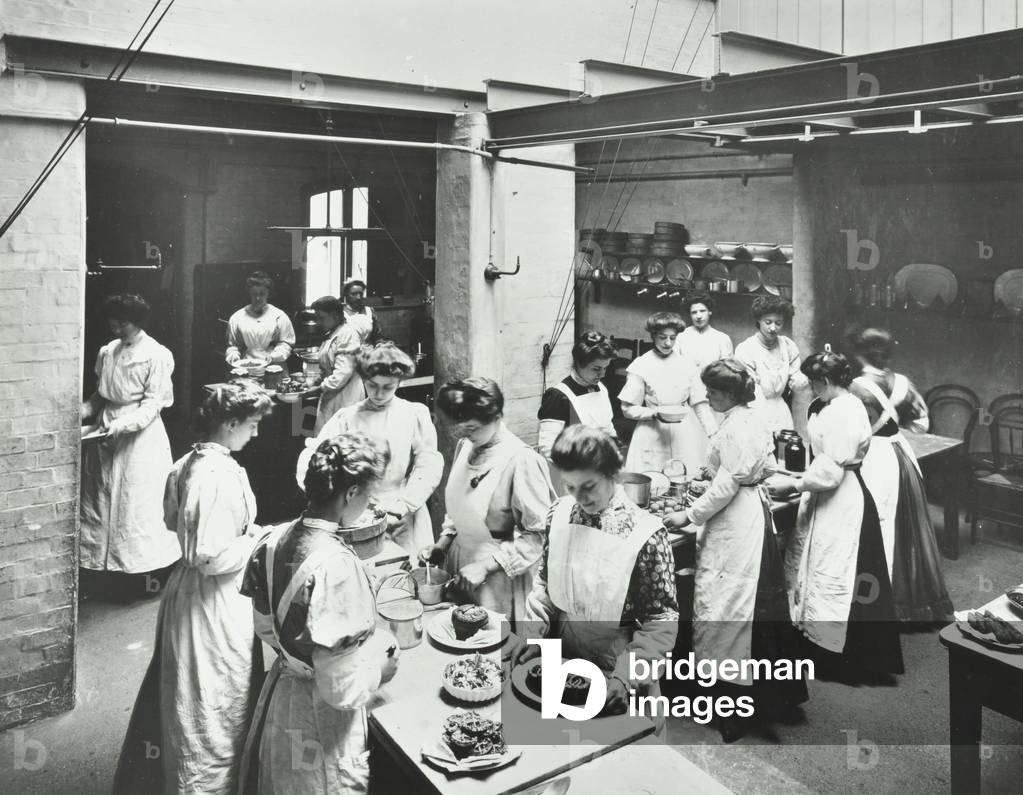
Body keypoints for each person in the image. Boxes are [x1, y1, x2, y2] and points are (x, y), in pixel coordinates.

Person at [114, 383, 273, 794]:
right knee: (213, 709)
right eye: (252, 425)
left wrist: (238, 533)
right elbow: (212, 557)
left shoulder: (187, 462)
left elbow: (173, 521)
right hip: (213, 601)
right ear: (231, 423)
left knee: (188, 697)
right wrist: (257, 539)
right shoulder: (215, 475)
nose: (255, 434)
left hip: (186, 593)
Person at [238, 432, 399, 795]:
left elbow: (266, 628)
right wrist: (378, 669)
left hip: (284, 696)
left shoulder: (271, 540)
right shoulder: (337, 565)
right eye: (368, 495)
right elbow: (341, 692)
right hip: (323, 721)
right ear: (351, 494)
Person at [664, 360, 807, 742]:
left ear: (729, 393)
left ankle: (735, 706)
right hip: (749, 513)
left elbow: (727, 486)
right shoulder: (751, 417)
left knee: (730, 607)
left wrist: (688, 516)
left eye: (713, 392)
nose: (708, 397)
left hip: (736, 523)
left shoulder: (737, 426)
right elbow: (761, 465)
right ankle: (767, 698)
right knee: (747, 606)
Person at [514, 425, 678, 725]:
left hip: (617, 659)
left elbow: (661, 620)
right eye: (570, 487)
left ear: (613, 475)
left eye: (588, 486)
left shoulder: (647, 534)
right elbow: (546, 583)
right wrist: (534, 635)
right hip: (562, 649)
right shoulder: (559, 514)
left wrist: (628, 676)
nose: (580, 498)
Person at [774, 348, 903, 679]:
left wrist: (794, 485)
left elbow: (830, 472)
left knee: (839, 573)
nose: (813, 391)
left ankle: (841, 653)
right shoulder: (839, 405)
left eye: (815, 384)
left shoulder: (843, 412)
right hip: (828, 495)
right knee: (816, 565)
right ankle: (815, 640)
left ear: (827, 381)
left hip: (841, 497)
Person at [419, 378, 556, 625]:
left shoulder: (520, 460)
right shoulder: (466, 445)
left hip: (500, 579)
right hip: (461, 566)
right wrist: (443, 543)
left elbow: (539, 535)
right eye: (461, 428)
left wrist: (486, 566)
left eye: (472, 428)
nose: (465, 434)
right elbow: (461, 506)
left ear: (496, 416)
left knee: (491, 650)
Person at [846, 326, 953, 624]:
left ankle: (878, 607)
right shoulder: (904, 382)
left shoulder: (856, 387)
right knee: (907, 528)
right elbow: (921, 424)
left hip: (871, 459)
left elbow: (854, 433)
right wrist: (896, 427)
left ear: (858, 352)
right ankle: (915, 603)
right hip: (900, 456)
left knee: (874, 526)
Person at [297, 342, 443, 559]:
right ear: (363, 380)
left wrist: (406, 505)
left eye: (388, 387)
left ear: (399, 383)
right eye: (373, 385)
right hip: (359, 514)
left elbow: (428, 463)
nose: (379, 393)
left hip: (403, 512)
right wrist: (332, 501)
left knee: (404, 577)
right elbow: (313, 456)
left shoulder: (413, 414)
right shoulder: (347, 417)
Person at [80, 294, 181, 580]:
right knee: (101, 496)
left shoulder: (156, 354)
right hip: (105, 428)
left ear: (137, 322)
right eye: (113, 324)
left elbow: (152, 404)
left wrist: (122, 424)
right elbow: (101, 393)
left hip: (139, 438)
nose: (116, 330)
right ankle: (102, 564)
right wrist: (87, 409)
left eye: (122, 324)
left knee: (134, 502)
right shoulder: (108, 351)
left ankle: (139, 573)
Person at [619, 312, 717, 476]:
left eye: (672, 338)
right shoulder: (642, 364)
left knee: (683, 477)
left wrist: (713, 433)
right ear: (653, 336)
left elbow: (700, 405)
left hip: (683, 430)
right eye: (662, 337)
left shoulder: (687, 364)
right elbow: (627, 408)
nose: (667, 342)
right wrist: (654, 413)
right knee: (651, 479)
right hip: (651, 430)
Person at [734, 296, 811, 439]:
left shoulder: (787, 345)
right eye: (768, 322)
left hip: (780, 409)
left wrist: (800, 380)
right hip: (755, 408)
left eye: (778, 323)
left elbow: (795, 373)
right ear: (759, 320)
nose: (773, 328)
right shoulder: (746, 349)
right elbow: (750, 387)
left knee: (782, 452)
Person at [536, 330, 617, 458]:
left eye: (605, 368)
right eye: (596, 369)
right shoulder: (558, 397)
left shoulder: (601, 388)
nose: (602, 375)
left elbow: (608, 428)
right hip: (571, 471)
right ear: (579, 363)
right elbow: (547, 448)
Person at [674, 292, 734, 465]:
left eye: (702, 311)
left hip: (714, 397)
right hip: (688, 396)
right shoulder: (681, 337)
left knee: (713, 437)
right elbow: (677, 367)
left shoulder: (722, 338)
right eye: (694, 312)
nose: (698, 316)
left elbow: (728, 370)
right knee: (689, 441)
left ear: (710, 312)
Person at [309, 296, 365, 434]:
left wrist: (317, 389)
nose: (318, 322)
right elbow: (327, 366)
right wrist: (316, 381)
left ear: (334, 315)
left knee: (342, 436)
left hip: (347, 394)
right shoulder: (333, 333)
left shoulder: (348, 334)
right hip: (333, 393)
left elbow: (342, 374)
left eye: (321, 318)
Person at [225, 271, 295, 366]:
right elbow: (233, 346)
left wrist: (274, 356)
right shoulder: (237, 317)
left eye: (262, 294)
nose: (258, 298)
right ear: (249, 294)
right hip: (247, 366)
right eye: (254, 294)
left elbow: (286, 343)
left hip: (273, 367)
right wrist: (233, 355)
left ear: (268, 294)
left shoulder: (279, 316)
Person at [342, 279, 380, 345]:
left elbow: (376, 335)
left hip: (368, 349)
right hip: (347, 351)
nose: (358, 297)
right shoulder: (341, 313)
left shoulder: (369, 311)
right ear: (346, 295)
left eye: (361, 294)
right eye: (354, 294)